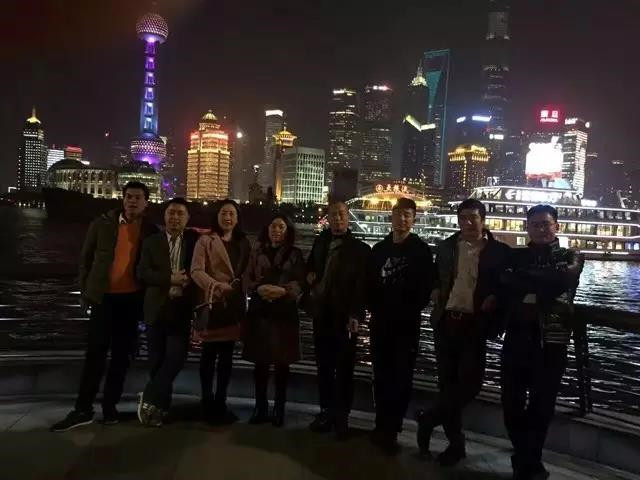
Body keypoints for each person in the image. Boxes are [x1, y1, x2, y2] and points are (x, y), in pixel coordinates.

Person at [51, 181, 158, 432]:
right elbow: (85, 259)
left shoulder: (151, 231)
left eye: (138, 198)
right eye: (129, 196)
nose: (132, 201)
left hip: (132, 301)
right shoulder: (102, 224)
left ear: (146, 203)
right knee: (95, 355)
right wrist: (85, 292)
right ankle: (83, 409)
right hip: (103, 299)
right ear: (123, 199)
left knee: (121, 357)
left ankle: (110, 407)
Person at [415, 198, 510, 466]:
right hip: (446, 321)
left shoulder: (499, 252)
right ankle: (455, 445)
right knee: (448, 385)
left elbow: (506, 283)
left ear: (483, 220)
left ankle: (429, 418)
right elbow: (435, 275)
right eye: (463, 218)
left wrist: (496, 296)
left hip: (475, 324)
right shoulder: (447, 246)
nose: (467, 223)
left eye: (473, 218)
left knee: (471, 384)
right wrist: (435, 289)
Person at [500, 204, 584, 480]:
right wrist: (542, 283)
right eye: (535, 224)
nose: (540, 229)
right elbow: (505, 281)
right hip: (516, 337)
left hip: (552, 341)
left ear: (557, 226)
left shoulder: (571, 256)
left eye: (546, 224)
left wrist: (524, 279)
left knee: (542, 407)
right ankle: (528, 460)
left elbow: (563, 279)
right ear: (527, 228)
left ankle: (527, 463)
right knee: (511, 404)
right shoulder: (515, 256)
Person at [368, 197, 434, 454]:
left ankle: (393, 427)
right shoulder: (379, 249)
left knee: (401, 376)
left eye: (407, 215)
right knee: (381, 374)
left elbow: (425, 288)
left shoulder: (420, 250)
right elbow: (369, 282)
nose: (402, 219)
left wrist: (407, 308)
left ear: (414, 219)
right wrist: (374, 308)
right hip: (380, 322)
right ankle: (380, 423)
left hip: (406, 324)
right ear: (391, 216)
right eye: (398, 214)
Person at [306, 200, 370, 438]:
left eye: (342, 214)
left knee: (344, 368)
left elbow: (362, 287)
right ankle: (325, 411)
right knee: (323, 366)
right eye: (333, 214)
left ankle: (342, 416)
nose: (338, 218)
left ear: (348, 216)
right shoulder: (321, 241)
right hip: (321, 313)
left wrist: (356, 314)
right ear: (329, 217)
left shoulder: (360, 249)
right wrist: (310, 276)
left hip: (344, 317)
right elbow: (310, 266)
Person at [136, 198, 199, 427]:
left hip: (181, 310)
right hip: (156, 309)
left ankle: (149, 396)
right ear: (164, 216)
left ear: (187, 218)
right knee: (156, 362)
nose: (175, 218)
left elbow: (201, 268)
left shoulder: (194, 243)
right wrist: (169, 279)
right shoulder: (152, 242)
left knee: (175, 359)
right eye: (171, 213)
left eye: (180, 213)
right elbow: (142, 273)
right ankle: (160, 409)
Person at [191, 199, 251, 425]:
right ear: (217, 216)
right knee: (208, 356)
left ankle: (221, 402)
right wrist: (215, 286)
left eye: (232, 214)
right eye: (224, 213)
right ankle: (206, 401)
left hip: (233, 305)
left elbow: (248, 272)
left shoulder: (244, 243)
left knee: (227, 358)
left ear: (237, 218)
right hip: (213, 303)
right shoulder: (205, 240)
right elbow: (196, 270)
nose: (227, 218)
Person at [242, 214, 306, 427]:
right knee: (260, 363)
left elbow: (301, 281)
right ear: (267, 229)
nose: (276, 230)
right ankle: (260, 407)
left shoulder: (295, 254)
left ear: (287, 231)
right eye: (273, 226)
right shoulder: (256, 251)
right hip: (260, 312)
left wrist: (283, 291)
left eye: (281, 227)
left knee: (282, 365)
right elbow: (246, 278)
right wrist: (259, 288)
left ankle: (279, 408)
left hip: (284, 313)